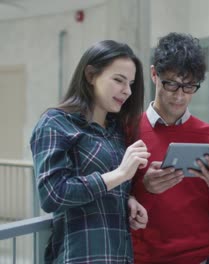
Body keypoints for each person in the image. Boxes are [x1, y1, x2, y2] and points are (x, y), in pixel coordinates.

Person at [30, 40, 150, 263]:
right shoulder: (55, 122)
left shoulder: (115, 131)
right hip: (79, 256)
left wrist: (127, 200)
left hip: (118, 255)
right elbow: (52, 194)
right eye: (118, 80)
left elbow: (105, 187)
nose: (127, 91)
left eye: (131, 83)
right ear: (91, 75)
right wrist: (120, 174)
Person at [130, 33, 209, 264]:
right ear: (153, 75)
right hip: (145, 258)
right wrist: (144, 188)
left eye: (189, 86)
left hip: (202, 257)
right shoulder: (127, 132)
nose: (179, 96)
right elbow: (112, 208)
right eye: (171, 84)